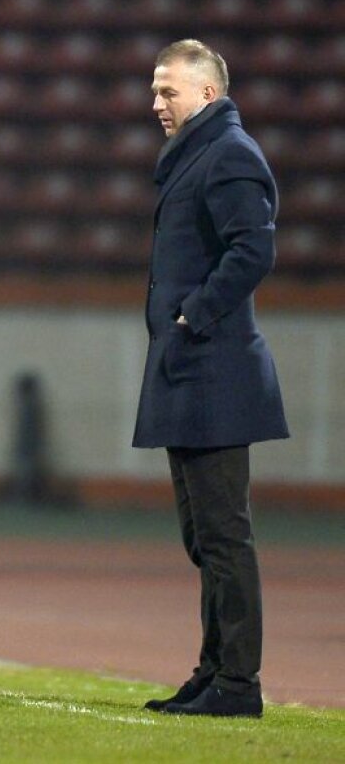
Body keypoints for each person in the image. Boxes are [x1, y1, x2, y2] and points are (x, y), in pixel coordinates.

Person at [134, 40, 287, 718]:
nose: (156, 103)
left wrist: (194, 314)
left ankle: (239, 685)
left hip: (215, 369)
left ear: (208, 94)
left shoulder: (228, 152)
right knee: (204, 536)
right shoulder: (200, 153)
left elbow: (254, 247)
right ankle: (212, 670)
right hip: (189, 365)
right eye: (154, 90)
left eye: (169, 91)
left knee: (225, 534)